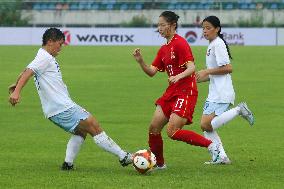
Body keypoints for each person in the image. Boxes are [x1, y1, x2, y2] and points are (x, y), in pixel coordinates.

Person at [8, 28, 132, 170]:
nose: (61, 48)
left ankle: (68, 164)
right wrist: (17, 92)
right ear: (50, 42)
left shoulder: (42, 55)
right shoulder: (45, 57)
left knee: (81, 132)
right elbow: (29, 72)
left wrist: (16, 85)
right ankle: (124, 157)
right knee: (94, 126)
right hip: (61, 107)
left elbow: (27, 70)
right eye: (59, 44)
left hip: (57, 107)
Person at [132, 11, 221, 169]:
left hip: (186, 91)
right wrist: (141, 62)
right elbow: (152, 72)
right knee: (153, 128)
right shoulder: (164, 48)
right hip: (172, 92)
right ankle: (160, 165)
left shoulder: (180, 43)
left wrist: (179, 76)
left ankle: (212, 146)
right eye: (158, 25)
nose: (159, 28)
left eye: (162, 25)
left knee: (172, 131)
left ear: (173, 25)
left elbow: (192, 67)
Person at [196, 16, 254, 164]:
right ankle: (221, 157)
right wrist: (199, 78)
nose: (205, 31)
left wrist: (207, 71)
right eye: (203, 28)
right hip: (214, 92)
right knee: (206, 127)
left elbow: (228, 68)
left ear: (217, 29)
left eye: (208, 28)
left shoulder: (218, 44)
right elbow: (216, 72)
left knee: (205, 125)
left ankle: (239, 110)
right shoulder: (212, 45)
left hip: (222, 92)